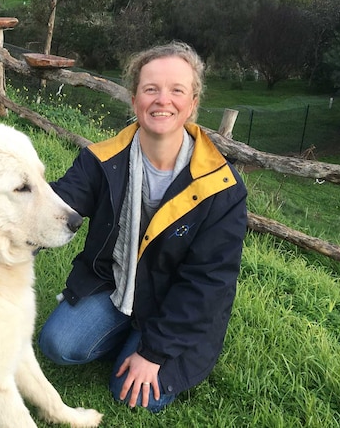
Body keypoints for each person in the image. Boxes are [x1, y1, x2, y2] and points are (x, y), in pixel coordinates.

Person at [38, 41, 248, 413]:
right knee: (58, 345)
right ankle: (126, 334)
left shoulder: (221, 187)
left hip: (175, 305)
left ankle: (145, 343)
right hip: (117, 286)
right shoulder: (101, 159)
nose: (162, 100)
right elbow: (57, 205)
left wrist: (153, 353)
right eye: (150, 89)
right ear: (134, 99)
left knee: (132, 394)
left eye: (176, 90)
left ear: (193, 103)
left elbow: (208, 284)